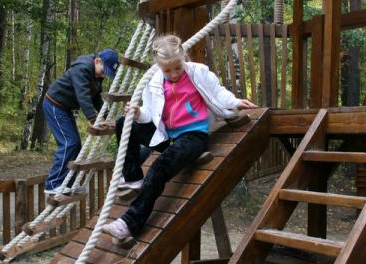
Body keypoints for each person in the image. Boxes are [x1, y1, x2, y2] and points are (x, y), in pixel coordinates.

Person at [103, 34, 256, 241]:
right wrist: (138, 113)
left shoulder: (198, 73)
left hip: (193, 136)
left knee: (158, 168)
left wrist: (236, 102)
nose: (174, 74)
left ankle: (129, 222)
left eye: (178, 68)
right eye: (168, 70)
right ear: (159, 66)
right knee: (124, 123)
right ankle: (133, 178)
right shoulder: (154, 81)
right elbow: (150, 112)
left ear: (184, 59)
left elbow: (217, 93)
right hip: (167, 135)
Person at [43, 49, 119, 195]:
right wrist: (93, 119)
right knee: (68, 143)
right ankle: (52, 184)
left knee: (76, 144)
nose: (103, 75)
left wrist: (107, 115)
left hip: (65, 108)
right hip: (54, 104)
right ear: (97, 61)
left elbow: (96, 97)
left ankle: (68, 184)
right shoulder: (82, 69)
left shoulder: (97, 75)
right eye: (104, 71)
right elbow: (83, 95)